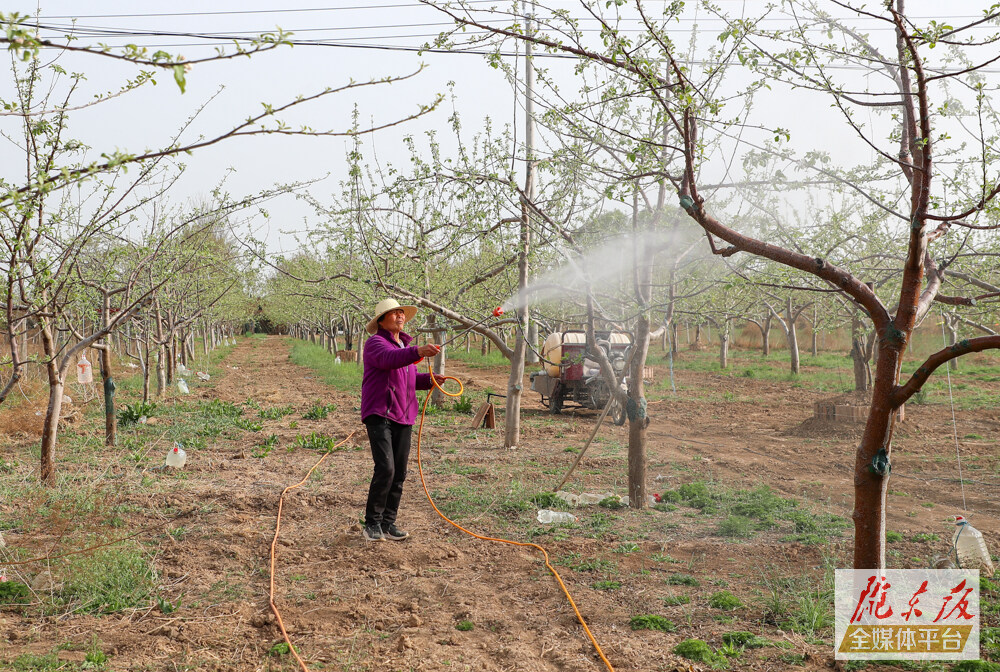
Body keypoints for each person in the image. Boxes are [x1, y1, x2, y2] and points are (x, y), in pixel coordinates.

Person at [360, 298, 443, 542]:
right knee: (386, 468)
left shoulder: (402, 348)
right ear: (381, 321)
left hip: (403, 415)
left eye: (401, 312)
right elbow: (389, 361)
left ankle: (388, 523)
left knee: (399, 472)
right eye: (393, 313)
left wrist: (431, 379)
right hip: (380, 414)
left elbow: (409, 378)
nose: (399, 316)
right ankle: (371, 524)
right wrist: (417, 351)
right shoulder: (376, 343)